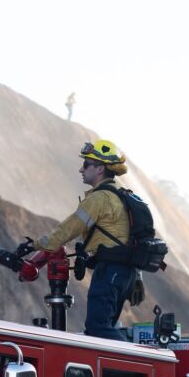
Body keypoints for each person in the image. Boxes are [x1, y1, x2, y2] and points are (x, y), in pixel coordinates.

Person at [28, 140, 142, 341]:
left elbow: (68, 229)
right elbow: (132, 238)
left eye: (86, 164)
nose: (81, 170)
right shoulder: (120, 195)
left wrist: (34, 245)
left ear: (99, 168)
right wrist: (137, 277)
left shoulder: (100, 199)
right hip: (124, 272)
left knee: (98, 329)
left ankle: (139, 365)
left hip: (110, 271)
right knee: (102, 331)